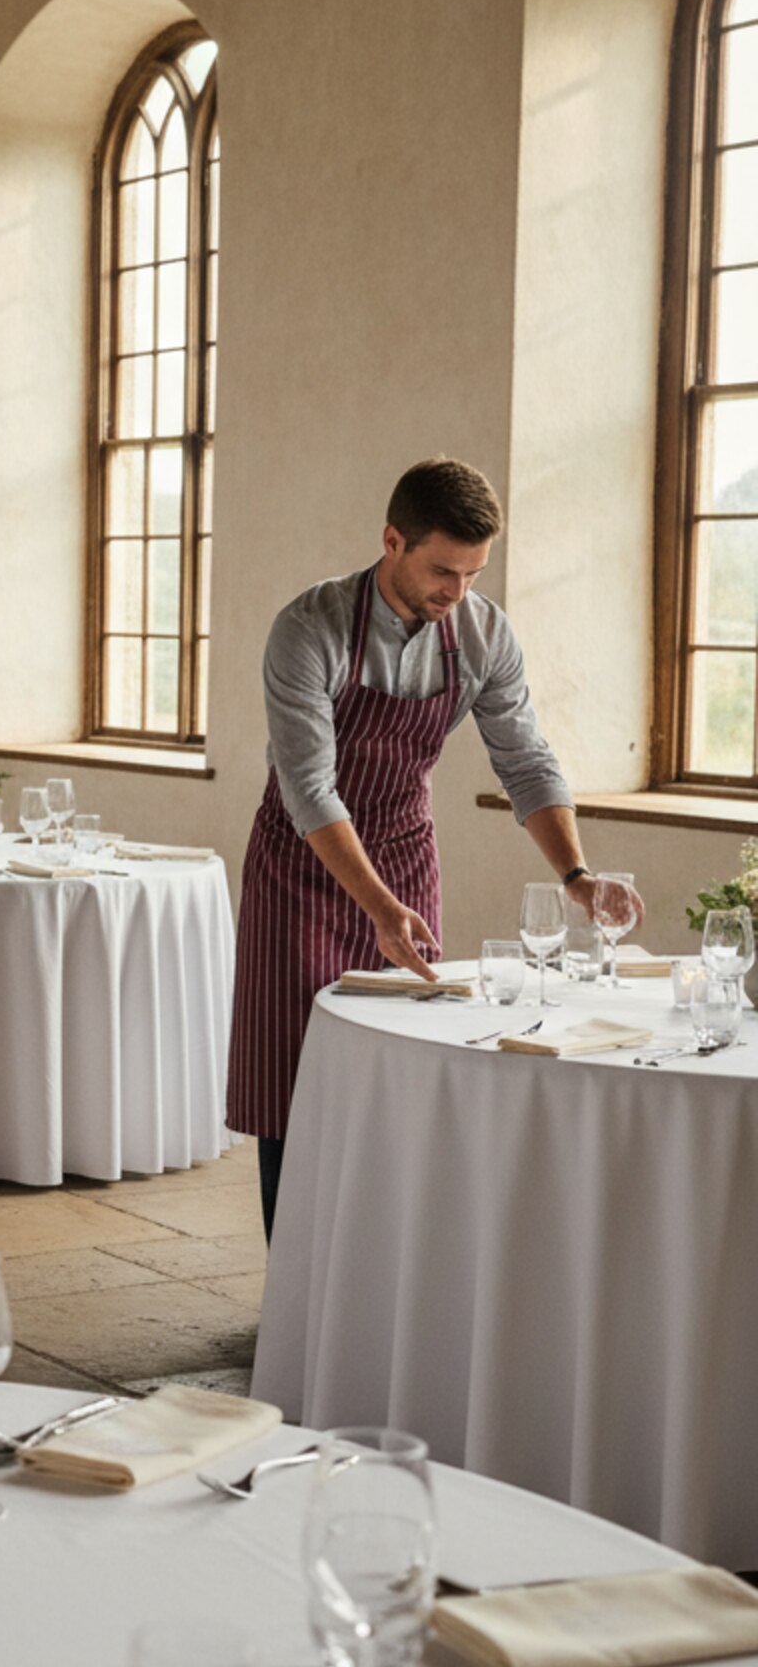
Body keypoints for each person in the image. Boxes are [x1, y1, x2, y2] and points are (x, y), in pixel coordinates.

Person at [228, 457, 638, 1240]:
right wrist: (378, 907)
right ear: (392, 541)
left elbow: (526, 761)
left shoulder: (483, 634)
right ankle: (297, 1298)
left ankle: (386, 1284)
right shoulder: (308, 630)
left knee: (409, 1072)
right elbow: (310, 789)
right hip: (302, 865)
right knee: (296, 1083)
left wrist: (577, 877)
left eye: (473, 574)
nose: (458, 593)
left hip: (406, 854)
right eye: (444, 571)